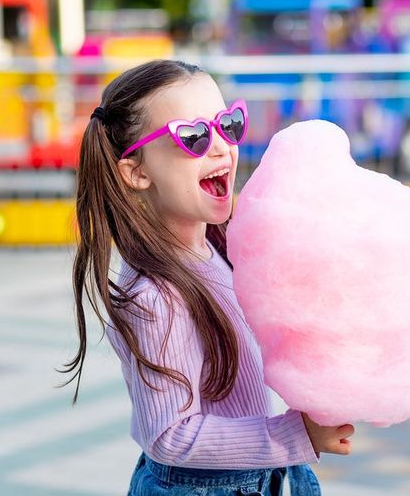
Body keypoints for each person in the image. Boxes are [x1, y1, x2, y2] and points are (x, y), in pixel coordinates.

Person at [61, 59, 354, 495]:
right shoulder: (155, 298)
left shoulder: (220, 247)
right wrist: (298, 435)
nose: (220, 147)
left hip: (260, 477)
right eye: (194, 136)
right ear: (137, 171)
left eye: (228, 124)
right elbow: (169, 437)